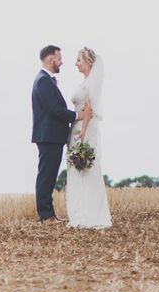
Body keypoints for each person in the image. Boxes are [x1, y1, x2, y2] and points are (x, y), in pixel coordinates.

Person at [31, 45, 88, 224]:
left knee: (49, 176)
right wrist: (77, 115)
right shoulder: (43, 81)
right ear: (50, 59)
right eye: (59, 58)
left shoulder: (46, 80)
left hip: (52, 136)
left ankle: (49, 214)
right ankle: (46, 215)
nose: (61, 62)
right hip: (48, 136)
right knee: (46, 176)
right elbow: (53, 109)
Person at [66, 47, 112, 229]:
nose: (76, 64)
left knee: (87, 168)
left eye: (78, 60)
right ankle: (80, 214)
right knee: (78, 169)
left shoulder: (90, 84)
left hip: (84, 128)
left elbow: (88, 109)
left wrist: (83, 132)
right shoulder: (85, 82)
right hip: (78, 127)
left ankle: (90, 216)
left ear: (86, 61)